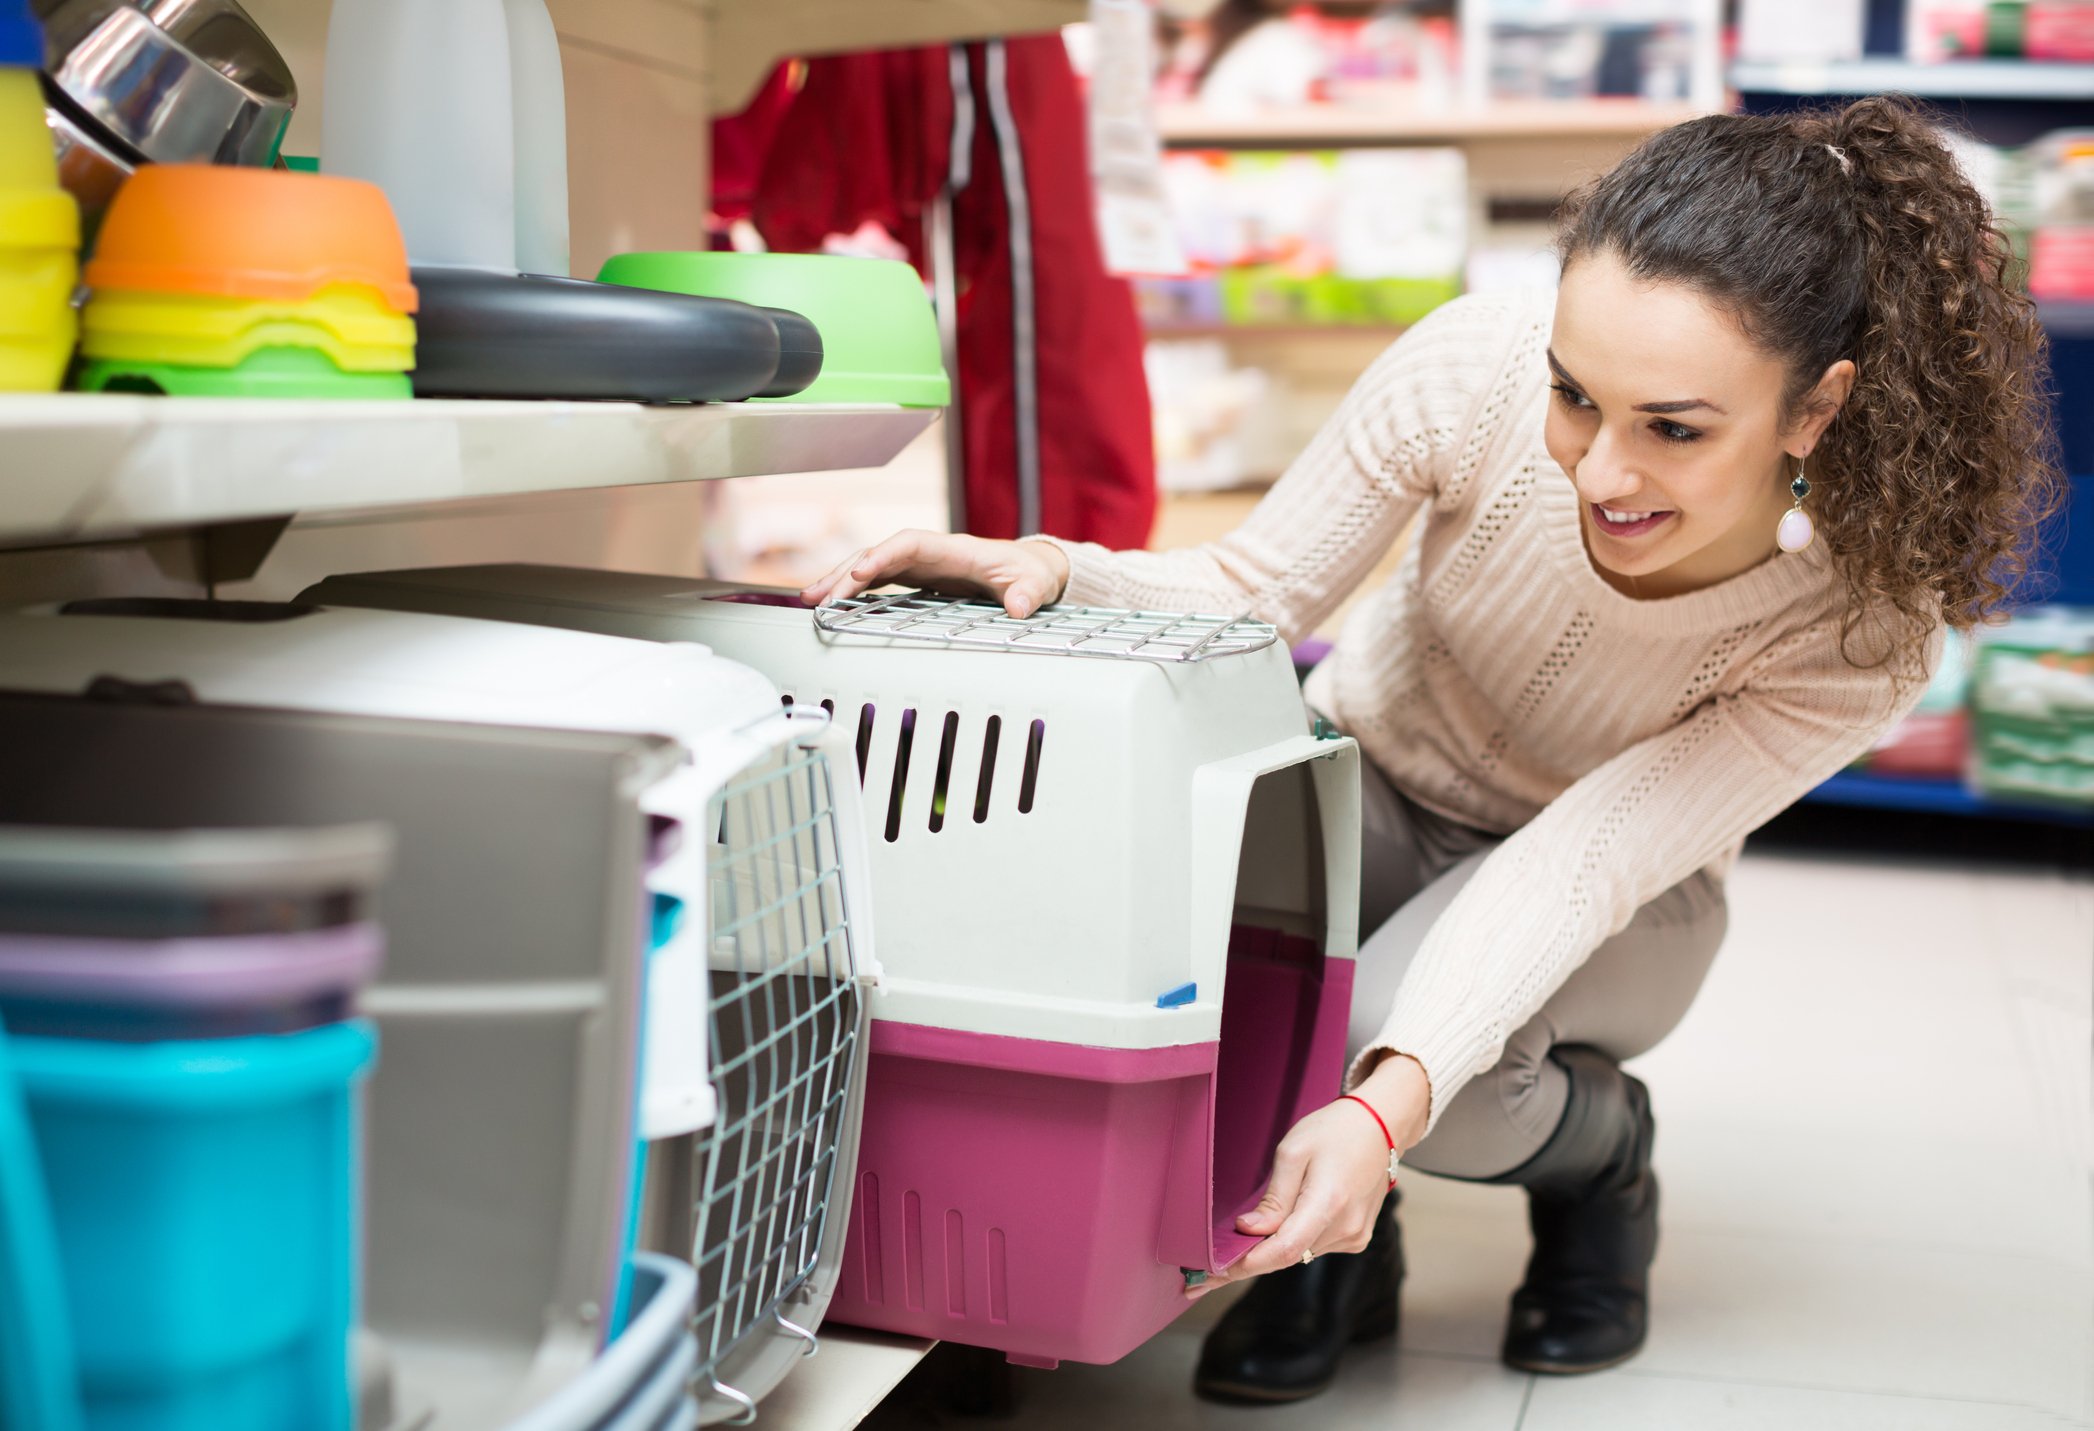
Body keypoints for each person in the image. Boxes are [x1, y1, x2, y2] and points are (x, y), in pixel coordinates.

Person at [801, 96, 2062, 1402]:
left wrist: (1380, 1107)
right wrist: (1053, 568)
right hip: (1376, 783)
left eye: (1672, 428)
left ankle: (1602, 1162)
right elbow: (1253, 586)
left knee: (1418, 1069)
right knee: (1177, 951)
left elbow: (1579, 862)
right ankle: (1349, 1249)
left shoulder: (1863, 630)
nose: (1599, 470)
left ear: (1815, 409)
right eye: (1576, 397)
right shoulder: (1473, 372)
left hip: (1627, 897)